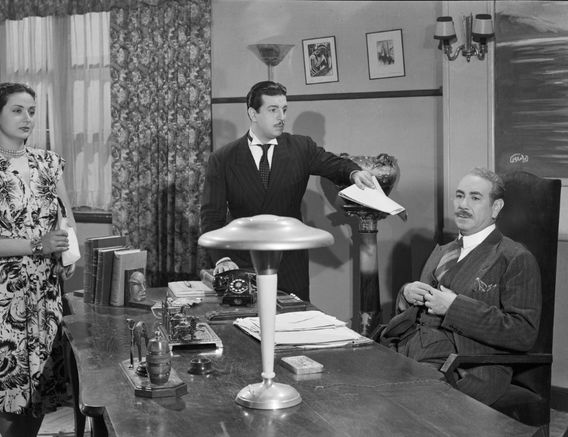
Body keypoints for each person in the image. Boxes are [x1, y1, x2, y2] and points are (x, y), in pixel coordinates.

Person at [0, 82, 77, 437]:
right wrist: (37, 245)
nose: (27, 118)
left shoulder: (49, 163)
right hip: (0, 294)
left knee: (40, 388)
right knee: (8, 388)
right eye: (17, 110)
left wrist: (67, 253)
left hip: (44, 291)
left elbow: (67, 221)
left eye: (31, 111)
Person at [200, 80, 375, 302]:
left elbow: (335, 164)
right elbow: (211, 216)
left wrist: (353, 173)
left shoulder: (301, 148)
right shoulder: (223, 159)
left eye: (284, 109)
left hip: (290, 264)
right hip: (243, 263)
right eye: (273, 110)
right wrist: (222, 258)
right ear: (253, 114)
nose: (281, 117)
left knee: (295, 320)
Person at [380, 167, 541, 406]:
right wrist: (406, 294)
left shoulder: (514, 257)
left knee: (398, 404)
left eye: (475, 198)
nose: (463, 205)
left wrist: (454, 307)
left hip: (463, 365)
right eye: (459, 195)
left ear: (496, 207)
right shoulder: (442, 251)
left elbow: (522, 333)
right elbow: (419, 314)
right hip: (407, 348)